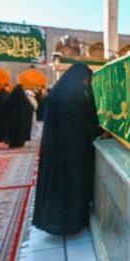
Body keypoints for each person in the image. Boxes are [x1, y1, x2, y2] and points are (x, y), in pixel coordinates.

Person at [32, 64, 103, 235]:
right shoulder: (70, 94)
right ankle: (68, 223)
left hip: (59, 148)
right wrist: (98, 130)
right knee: (68, 186)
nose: (87, 83)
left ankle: (60, 221)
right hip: (68, 151)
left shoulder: (60, 90)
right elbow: (78, 125)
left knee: (59, 186)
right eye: (86, 80)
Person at [2, 84, 34, 148]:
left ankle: (13, 142)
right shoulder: (24, 100)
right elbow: (30, 109)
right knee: (20, 130)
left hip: (12, 120)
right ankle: (20, 141)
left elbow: (4, 108)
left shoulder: (10, 98)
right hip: (21, 121)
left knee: (13, 131)